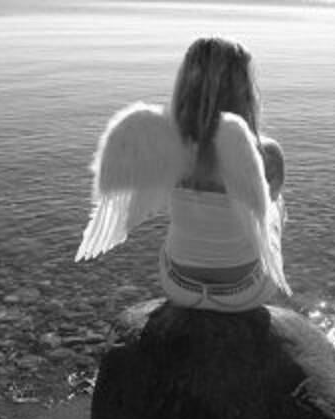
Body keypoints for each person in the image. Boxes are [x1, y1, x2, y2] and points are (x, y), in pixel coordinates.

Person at [75, 37, 291, 311]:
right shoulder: (266, 152)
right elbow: (263, 211)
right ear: (245, 89)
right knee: (275, 204)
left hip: (179, 287)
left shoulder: (163, 140)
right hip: (243, 293)